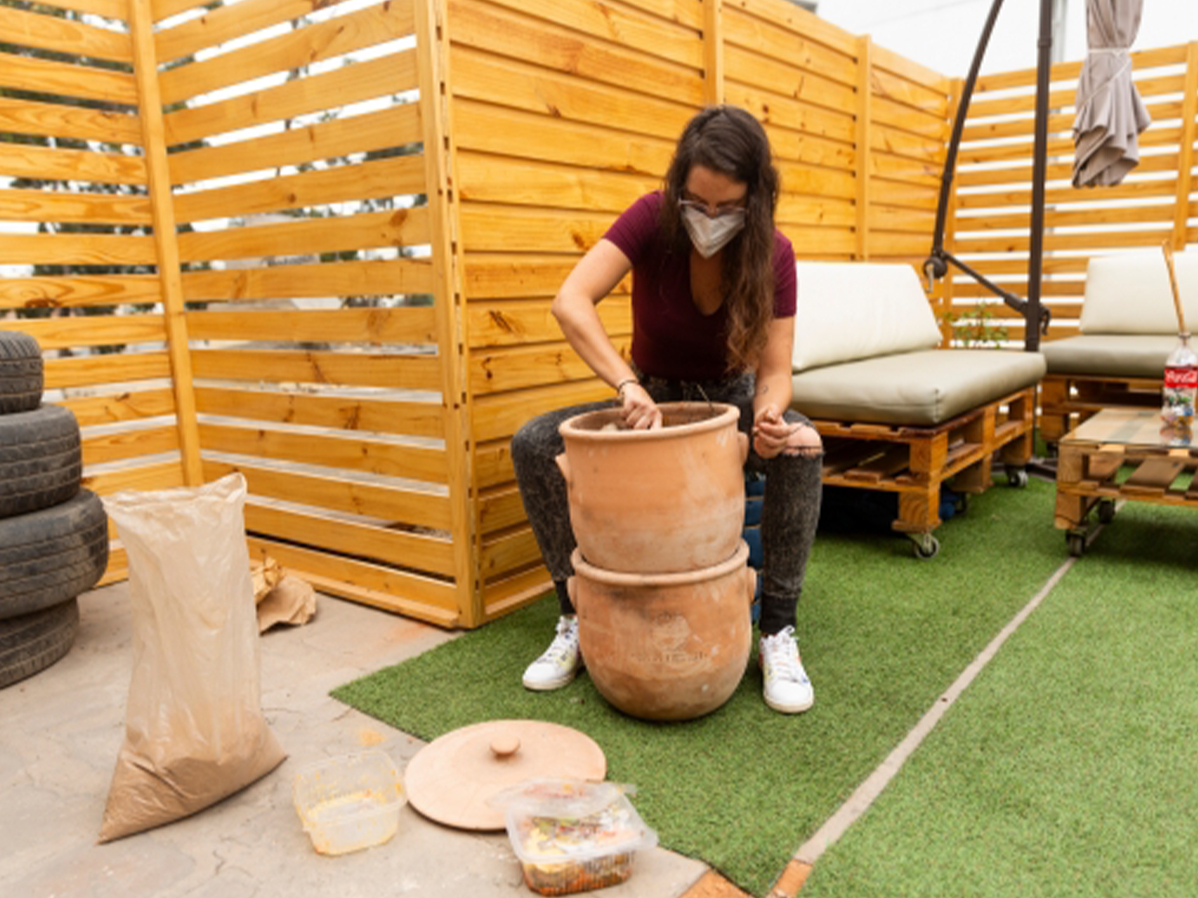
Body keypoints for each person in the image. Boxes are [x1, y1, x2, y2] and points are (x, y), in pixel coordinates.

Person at [510, 106, 823, 714]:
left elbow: (776, 371)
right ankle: (574, 616)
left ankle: (778, 632)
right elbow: (571, 300)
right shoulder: (652, 218)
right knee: (533, 443)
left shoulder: (774, 254)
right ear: (680, 184)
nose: (707, 219)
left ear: (754, 201)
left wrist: (770, 417)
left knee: (804, 448)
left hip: (732, 410)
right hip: (647, 406)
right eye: (696, 202)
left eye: (725, 207)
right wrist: (627, 385)